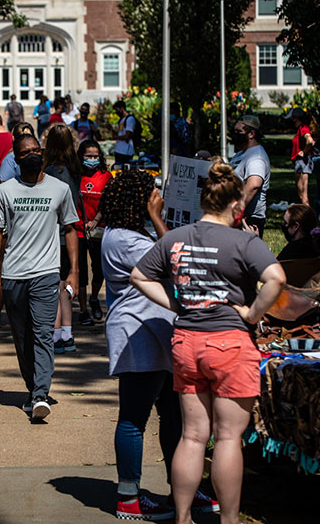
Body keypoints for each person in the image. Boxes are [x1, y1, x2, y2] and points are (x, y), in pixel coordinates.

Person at [131, 162, 286, 524]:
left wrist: (177, 303)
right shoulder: (245, 240)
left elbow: (139, 275)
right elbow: (277, 277)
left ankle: (182, 517)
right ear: (236, 207)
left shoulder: (176, 237)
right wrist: (250, 315)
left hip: (187, 342)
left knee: (192, 436)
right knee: (229, 438)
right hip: (231, 343)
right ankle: (228, 520)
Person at [100, 170, 186, 520]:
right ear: (137, 200)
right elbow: (176, 263)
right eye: (151, 194)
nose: (157, 197)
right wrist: (157, 217)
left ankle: (181, 487)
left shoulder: (128, 233)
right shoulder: (124, 239)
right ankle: (129, 498)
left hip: (156, 335)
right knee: (134, 418)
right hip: (139, 336)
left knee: (173, 415)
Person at [0, 133, 79, 421]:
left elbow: (70, 228)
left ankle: (40, 394)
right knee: (22, 337)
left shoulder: (60, 189)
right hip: (13, 274)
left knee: (42, 333)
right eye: (26, 152)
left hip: (46, 273)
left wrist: (73, 269)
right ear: (16, 157)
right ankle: (32, 388)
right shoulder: (5, 191)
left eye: (37, 150)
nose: (33, 155)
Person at [43, 123, 83, 351]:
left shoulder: (52, 172)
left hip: (55, 236)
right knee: (64, 287)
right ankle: (66, 334)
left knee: (54, 288)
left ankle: (56, 334)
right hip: (69, 233)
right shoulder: (75, 168)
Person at [77, 140, 111, 323]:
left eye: (95, 156)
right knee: (81, 271)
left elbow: (108, 200)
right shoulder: (75, 175)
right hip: (78, 230)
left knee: (98, 269)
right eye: (88, 156)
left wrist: (96, 220)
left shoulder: (106, 176)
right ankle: (83, 309)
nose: (92, 159)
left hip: (99, 230)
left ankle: (94, 297)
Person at [229, 115, 270, 237]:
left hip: (248, 219)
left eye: (239, 132)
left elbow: (254, 185)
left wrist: (236, 211)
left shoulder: (256, 157)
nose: (235, 134)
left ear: (251, 134)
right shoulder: (242, 153)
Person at [285, 107, 314, 205]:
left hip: (303, 161)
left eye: (292, 118)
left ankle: (309, 218)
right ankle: (305, 215)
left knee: (304, 195)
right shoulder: (300, 129)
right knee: (301, 194)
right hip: (299, 162)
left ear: (295, 118)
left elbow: (310, 141)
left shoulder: (303, 128)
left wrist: (304, 152)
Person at [113, 100, 136, 165]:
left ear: (122, 108)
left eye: (117, 110)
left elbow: (127, 136)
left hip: (126, 151)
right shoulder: (121, 120)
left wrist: (116, 137)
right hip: (119, 150)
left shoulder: (129, 119)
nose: (116, 112)